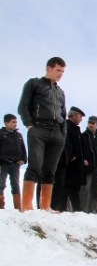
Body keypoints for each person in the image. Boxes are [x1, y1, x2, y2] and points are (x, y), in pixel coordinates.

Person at [17, 57, 67, 211]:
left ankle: (45, 207)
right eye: (58, 70)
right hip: (38, 129)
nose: (60, 74)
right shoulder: (34, 84)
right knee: (35, 166)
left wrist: (62, 134)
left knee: (50, 170)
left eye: (63, 72)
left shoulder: (60, 92)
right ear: (48, 68)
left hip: (56, 133)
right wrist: (30, 125)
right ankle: (26, 207)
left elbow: (63, 114)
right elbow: (23, 106)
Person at [51, 106, 86, 212]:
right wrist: (71, 157)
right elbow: (65, 144)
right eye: (80, 116)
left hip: (76, 166)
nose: (81, 119)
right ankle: (60, 209)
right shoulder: (67, 127)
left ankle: (77, 211)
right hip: (68, 165)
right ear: (74, 115)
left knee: (75, 190)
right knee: (65, 189)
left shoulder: (76, 129)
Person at [0, 114, 27, 209]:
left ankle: (18, 207)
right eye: (13, 122)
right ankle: (1, 207)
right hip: (3, 163)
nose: (15, 124)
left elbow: (23, 149)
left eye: (16, 122)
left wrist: (24, 160)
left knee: (15, 185)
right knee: (1, 184)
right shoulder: (1, 134)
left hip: (16, 164)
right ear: (6, 123)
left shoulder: (19, 135)